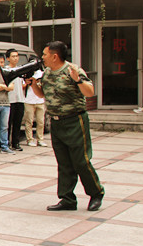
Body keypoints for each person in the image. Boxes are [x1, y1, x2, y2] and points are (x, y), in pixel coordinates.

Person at [29, 41, 104, 211]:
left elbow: (90, 92)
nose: (42, 57)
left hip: (75, 121)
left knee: (81, 161)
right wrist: (33, 84)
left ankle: (96, 193)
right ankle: (67, 199)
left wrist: (77, 80)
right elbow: (42, 94)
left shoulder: (73, 70)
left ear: (55, 56)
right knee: (63, 163)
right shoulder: (47, 73)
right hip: (56, 122)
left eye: (45, 54)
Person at [6, 48, 27, 151]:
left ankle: (16, 143)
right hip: (10, 100)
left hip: (20, 99)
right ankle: (6, 143)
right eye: (13, 56)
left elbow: (23, 84)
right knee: (8, 123)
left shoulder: (20, 70)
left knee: (18, 123)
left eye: (17, 56)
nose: (15, 58)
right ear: (8, 58)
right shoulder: (6, 70)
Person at [23, 67, 47, 147]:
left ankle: (40, 139)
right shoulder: (26, 73)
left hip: (40, 101)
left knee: (41, 121)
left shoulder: (42, 74)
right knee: (29, 121)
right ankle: (29, 139)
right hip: (29, 100)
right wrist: (27, 82)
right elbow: (22, 86)